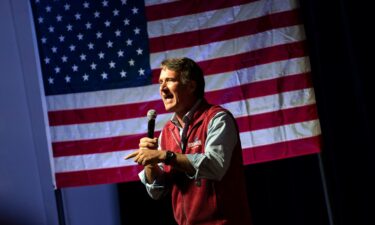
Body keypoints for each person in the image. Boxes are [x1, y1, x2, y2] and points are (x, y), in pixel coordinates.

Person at [125, 57, 252, 225]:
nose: (162, 89)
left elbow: (214, 166)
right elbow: (157, 192)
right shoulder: (166, 132)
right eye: (160, 82)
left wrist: (165, 156)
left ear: (191, 86)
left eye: (170, 80)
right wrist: (150, 163)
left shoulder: (217, 119)